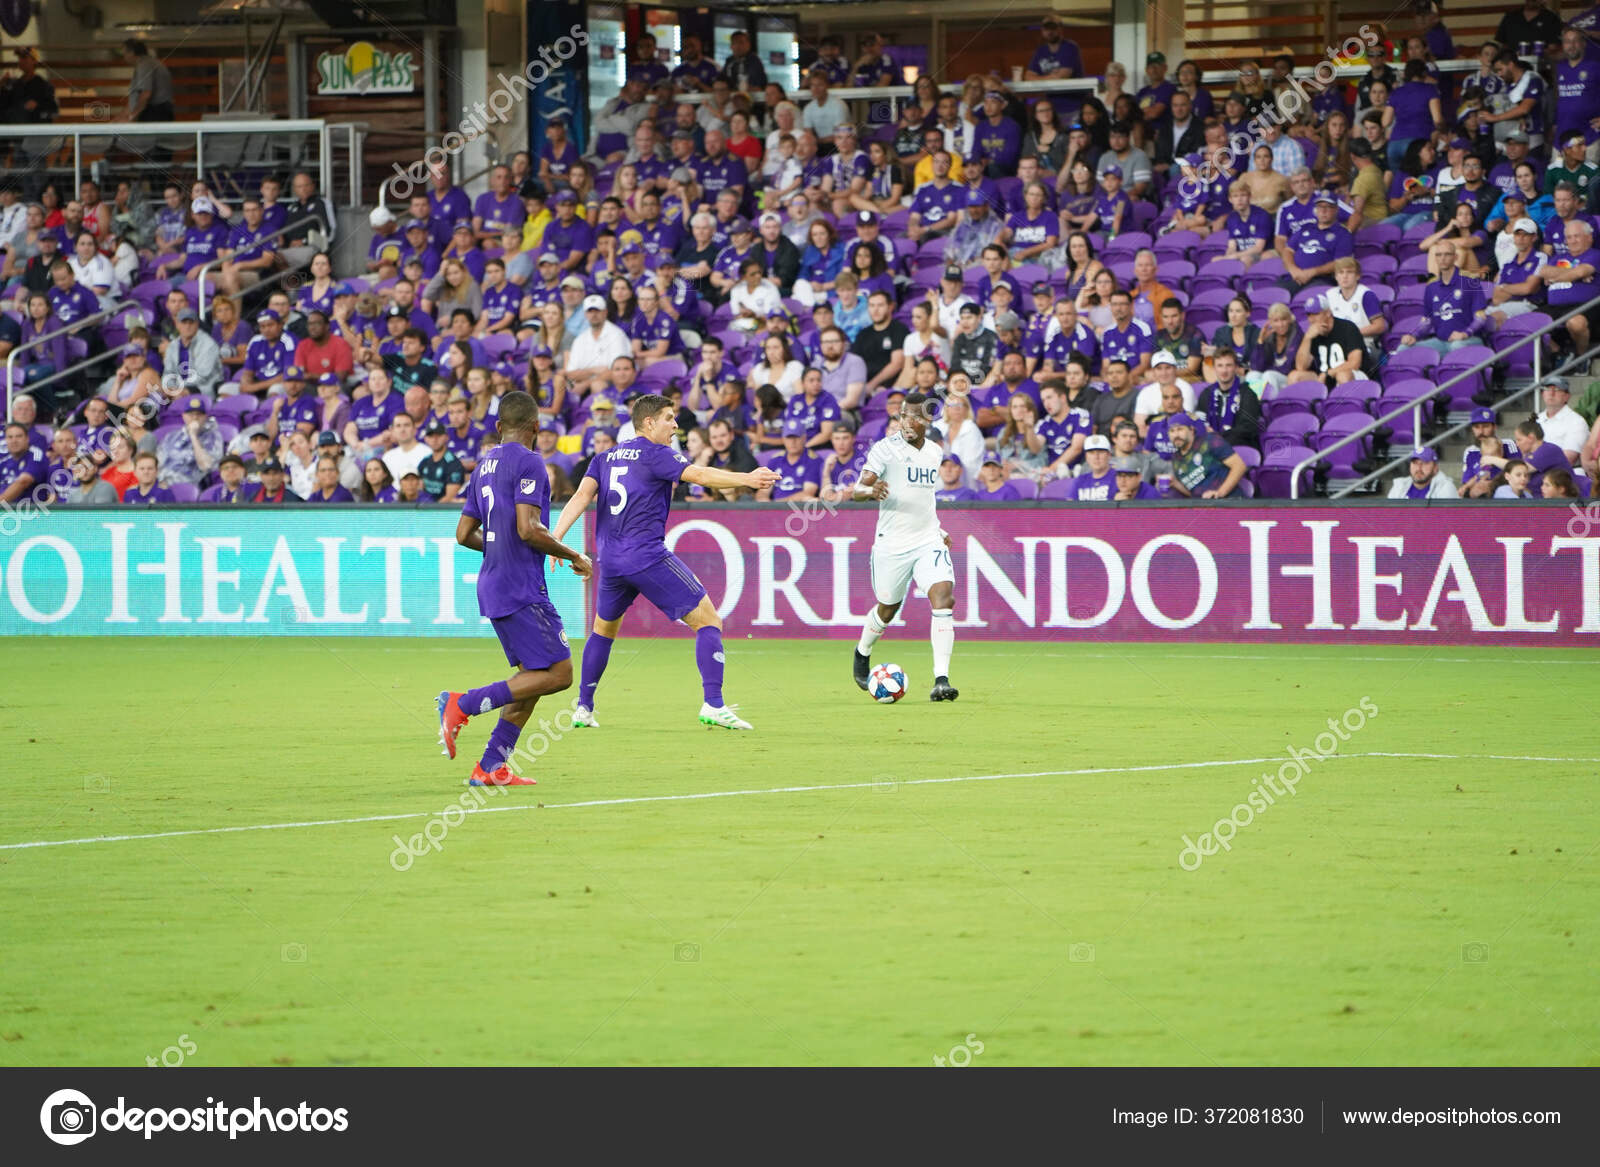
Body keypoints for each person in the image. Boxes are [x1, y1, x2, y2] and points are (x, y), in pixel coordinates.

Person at [550, 393, 779, 730]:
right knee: (709, 621)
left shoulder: (604, 457)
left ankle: (583, 708)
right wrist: (746, 479)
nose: (675, 426)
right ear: (649, 422)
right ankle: (714, 704)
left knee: (603, 631)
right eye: (670, 418)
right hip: (646, 556)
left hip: (610, 561)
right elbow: (699, 476)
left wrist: (556, 539)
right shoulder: (656, 454)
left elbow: (582, 497)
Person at [434, 392, 592, 786]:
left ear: (498, 426)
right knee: (559, 674)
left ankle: (491, 766)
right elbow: (528, 528)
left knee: (532, 676)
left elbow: (463, 534)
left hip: (493, 582)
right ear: (536, 427)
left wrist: (497, 544)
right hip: (521, 586)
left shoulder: (483, 466)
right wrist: (573, 554)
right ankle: (462, 703)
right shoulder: (531, 462)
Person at [850, 392, 960, 703]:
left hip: (927, 539)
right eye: (903, 415)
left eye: (913, 416)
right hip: (892, 543)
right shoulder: (885, 449)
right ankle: (863, 650)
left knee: (943, 596)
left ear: (927, 420)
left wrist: (938, 529)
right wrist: (871, 489)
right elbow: (857, 489)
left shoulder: (935, 453)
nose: (907, 422)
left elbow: (925, 499)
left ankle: (941, 679)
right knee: (888, 607)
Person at [1167, 411, 1246, 499]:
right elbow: (1193, 493)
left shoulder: (1210, 441)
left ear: (1191, 430)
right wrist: (1175, 483)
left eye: (1180, 429)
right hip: (1203, 508)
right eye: (1172, 431)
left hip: (1230, 501)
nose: (1176, 435)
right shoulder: (1176, 459)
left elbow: (1239, 466)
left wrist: (1220, 493)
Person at [121, 40, 174, 124]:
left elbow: (146, 94)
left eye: (124, 53)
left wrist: (131, 117)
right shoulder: (150, 63)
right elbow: (135, 99)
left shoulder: (145, 65)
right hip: (159, 112)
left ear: (132, 52)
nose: (124, 57)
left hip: (155, 113)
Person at [1387, 446, 1460, 498]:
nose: (1418, 468)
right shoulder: (1399, 486)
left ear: (1435, 468)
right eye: (1415, 463)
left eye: (1425, 463)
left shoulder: (1445, 487)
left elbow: (1448, 518)